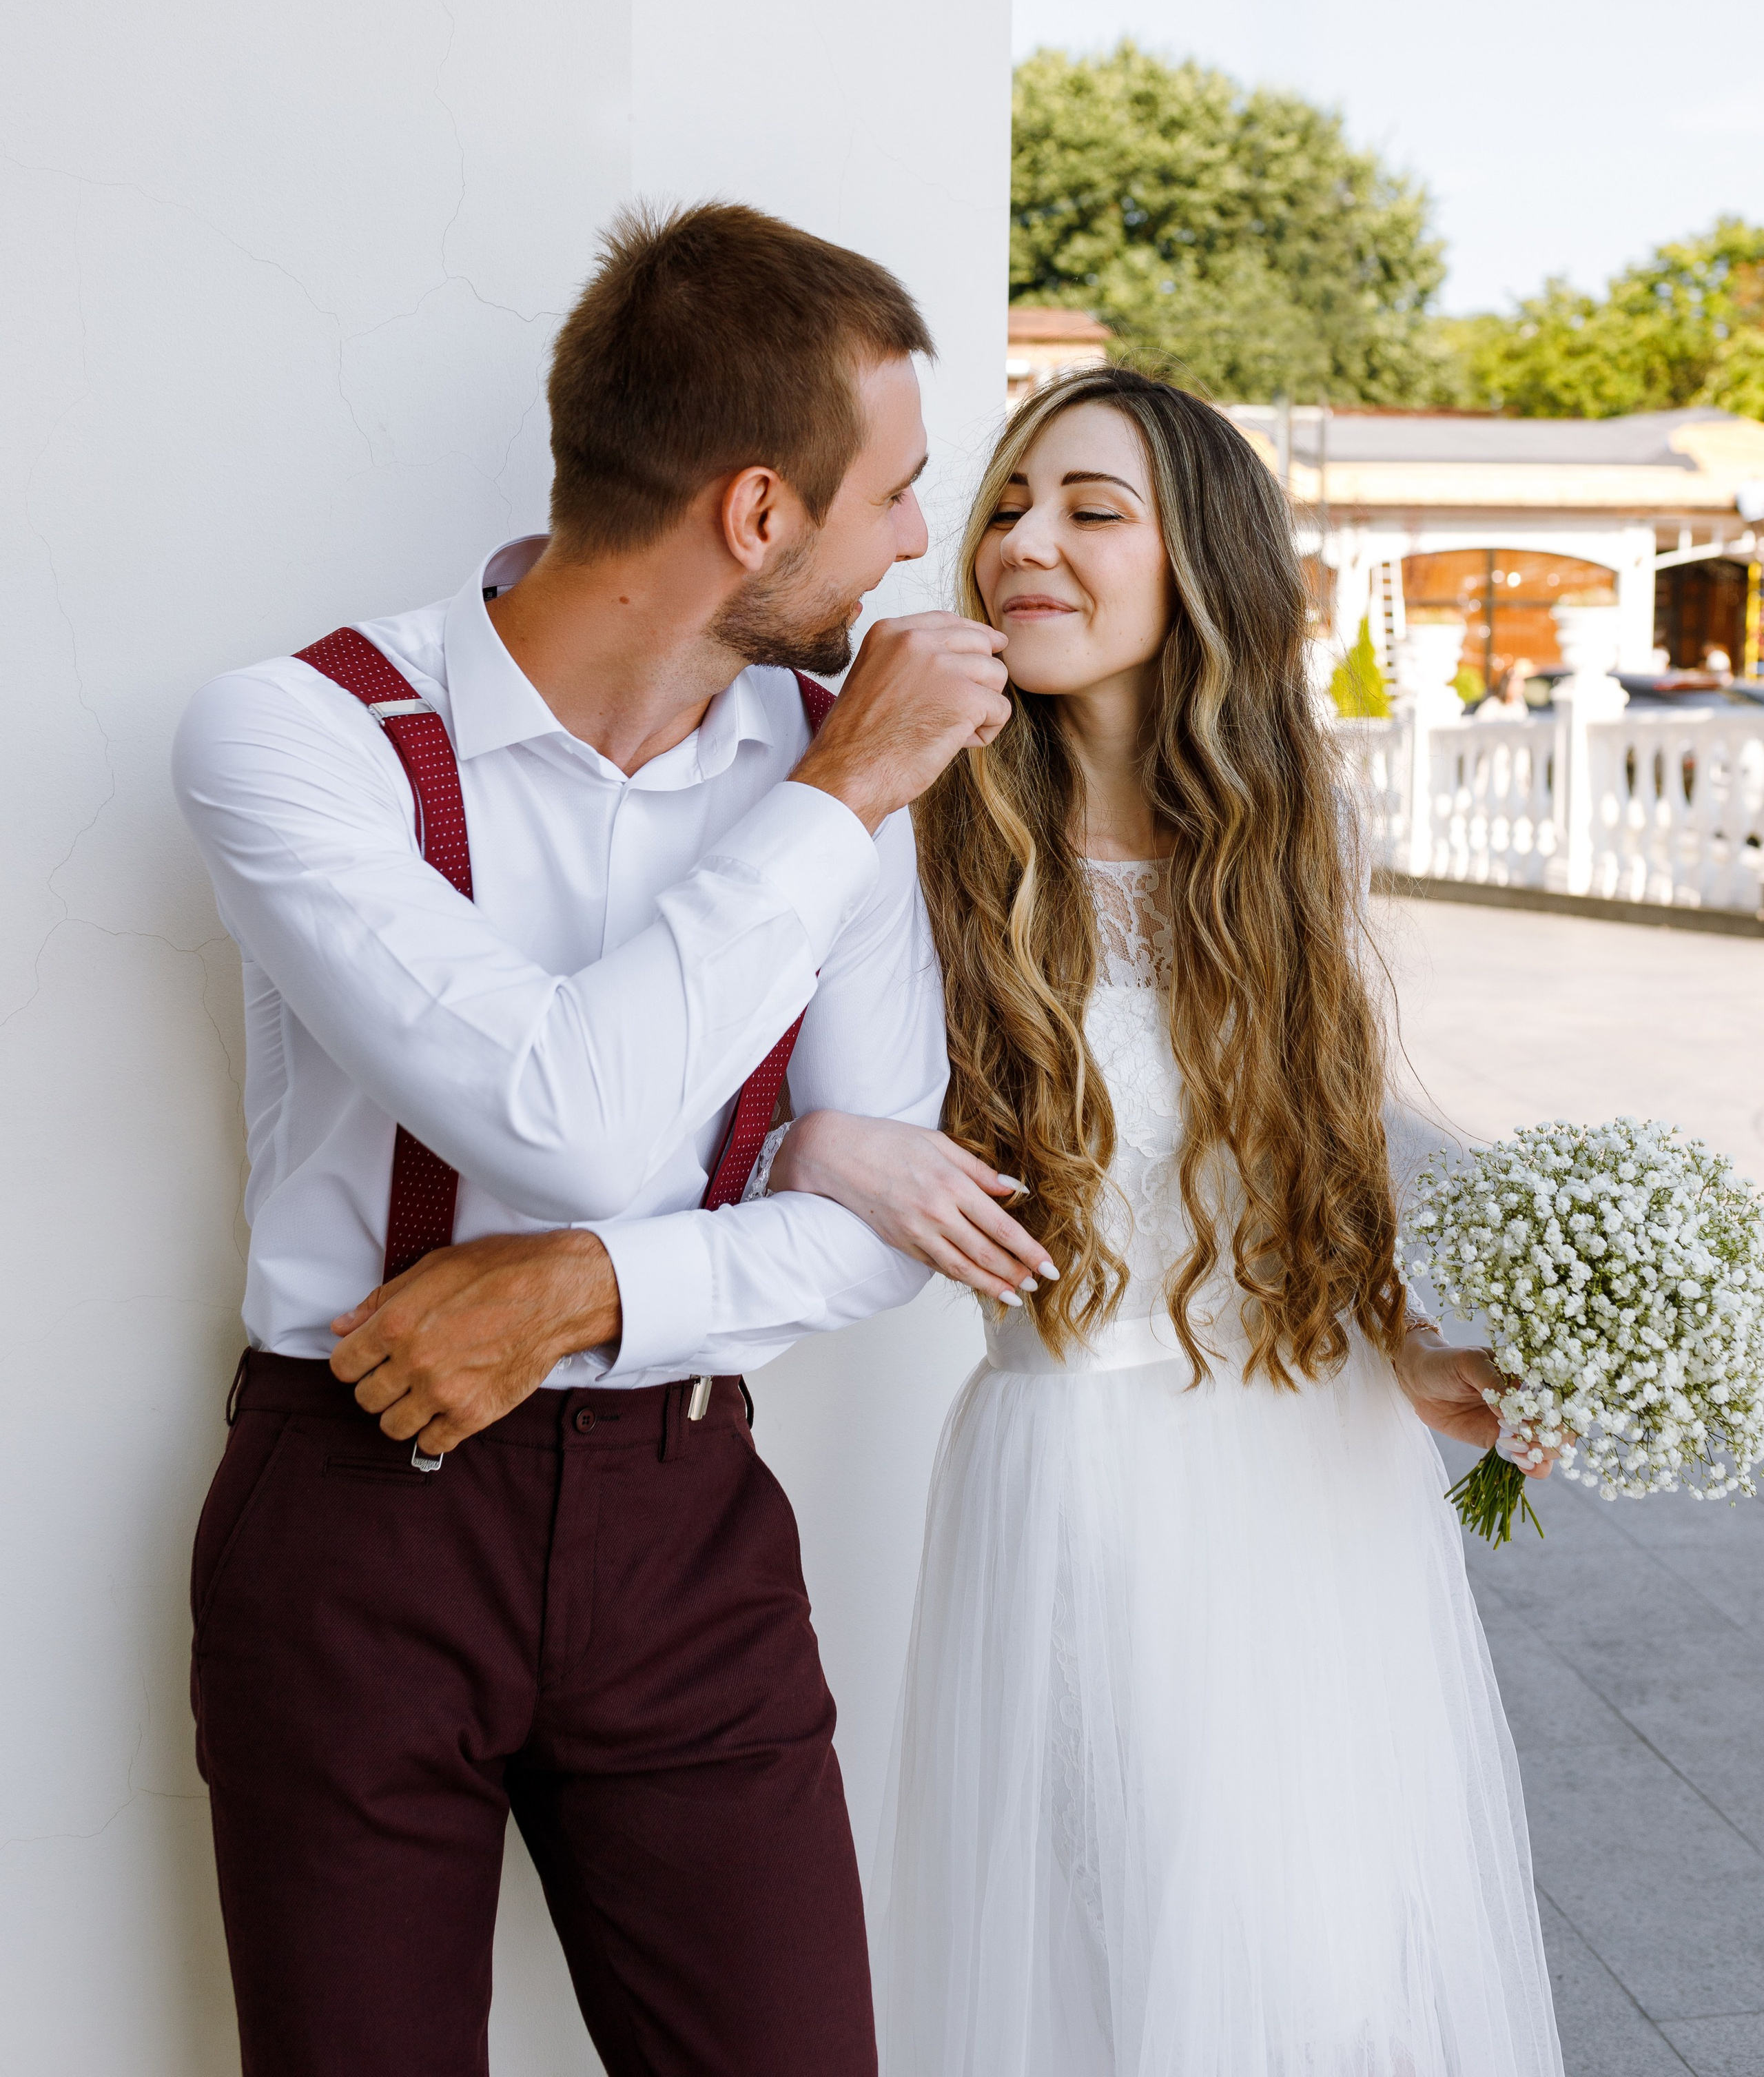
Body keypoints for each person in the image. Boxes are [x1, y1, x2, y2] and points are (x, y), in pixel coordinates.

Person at [170, 200, 1049, 2077]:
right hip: (356, 1515)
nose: (919, 542)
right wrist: (841, 791)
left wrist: (591, 1292)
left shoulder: (844, 753)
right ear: (756, 513)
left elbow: (887, 1218)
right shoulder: (298, 740)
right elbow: (560, 1117)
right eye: (894, 494)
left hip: (688, 1520)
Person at [777, 369, 1565, 2076]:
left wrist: (1411, 1357)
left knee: (1328, 1978)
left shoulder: (1288, 842)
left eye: (1088, 509)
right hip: (1081, 1476)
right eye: (1004, 504)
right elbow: (729, 1097)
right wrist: (821, 1142)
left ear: (1195, 561)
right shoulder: (918, 824)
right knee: (1115, 1968)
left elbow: (1288, 1189)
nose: (1021, 546)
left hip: (1318, 1477)